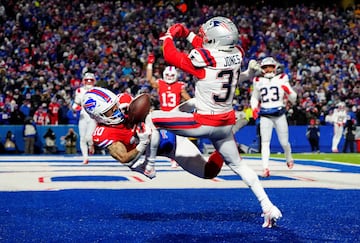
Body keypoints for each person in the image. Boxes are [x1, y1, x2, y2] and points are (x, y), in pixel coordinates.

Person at [151, 16, 281, 228]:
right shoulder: (237, 54)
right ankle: (268, 206)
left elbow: (171, 55)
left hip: (203, 122)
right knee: (239, 166)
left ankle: (147, 163)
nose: (202, 38)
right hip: (225, 125)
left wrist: (169, 36)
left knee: (154, 117)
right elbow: (210, 46)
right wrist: (187, 34)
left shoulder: (205, 58)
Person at [82, 87, 224, 180]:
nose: (117, 110)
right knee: (209, 172)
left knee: (209, 172)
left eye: (115, 105)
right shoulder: (103, 133)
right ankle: (147, 166)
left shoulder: (123, 101)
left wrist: (131, 107)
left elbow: (144, 102)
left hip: (168, 133)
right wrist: (142, 143)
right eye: (111, 110)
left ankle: (223, 141)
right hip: (154, 151)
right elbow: (124, 158)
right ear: (98, 116)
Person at [250, 57, 297, 178]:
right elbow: (254, 97)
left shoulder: (282, 78)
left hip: (279, 113)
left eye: (270, 66)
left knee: (284, 143)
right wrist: (254, 107)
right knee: (265, 142)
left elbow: (293, 98)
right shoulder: (257, 80)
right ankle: (265, 168)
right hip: (265, 113)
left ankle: (288, 157)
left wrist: (289, 93)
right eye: (265, 67)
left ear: (275, 67)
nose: (268, 69)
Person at [146, 53, 192, 168]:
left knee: (178, 138)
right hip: (163, 113)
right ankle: (151, 157)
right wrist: (150, 65)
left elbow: (188, 99)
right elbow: (150, 79)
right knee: (153, 134)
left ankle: (176, 158)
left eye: (172, 75)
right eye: (168, 75)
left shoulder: (179, 86)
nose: (170, 77)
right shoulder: (161, 84)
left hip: (174, 113)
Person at [72, 72, 97, 164]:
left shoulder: (97, 90)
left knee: (89, 137)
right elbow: (76, 103)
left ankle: (91, 145)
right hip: (83, 115)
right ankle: (85, 157)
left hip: (93, 116)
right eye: (87, 80)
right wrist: (74, 107)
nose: (89, 82)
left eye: (91, 80)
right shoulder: (79, 90)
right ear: (84, 81)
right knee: (82, 138)